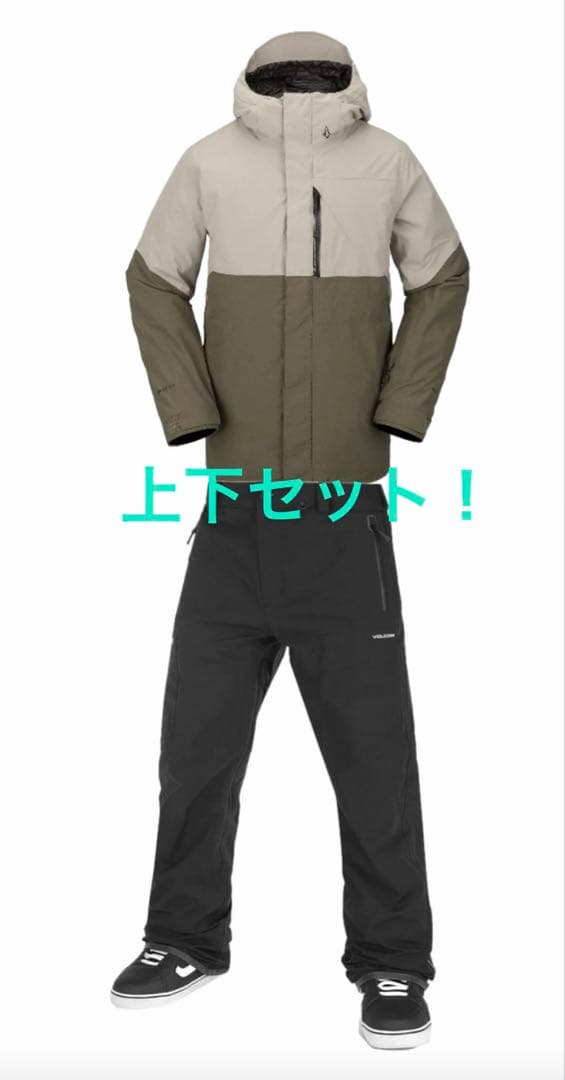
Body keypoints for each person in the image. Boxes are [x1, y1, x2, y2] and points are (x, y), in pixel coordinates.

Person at [111, 31, 469, 1051]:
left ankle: (393, 962)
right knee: (195, 749)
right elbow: (151, 279)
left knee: (373, 760)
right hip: (234, 511)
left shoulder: (387, 160)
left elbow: (443, 278)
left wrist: (398, 409)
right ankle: (183, 938)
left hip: (345, 517)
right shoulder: (208, 161)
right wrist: (192, 412)